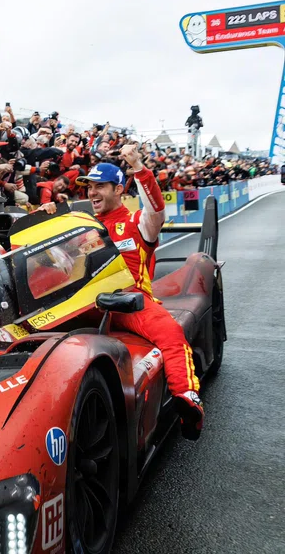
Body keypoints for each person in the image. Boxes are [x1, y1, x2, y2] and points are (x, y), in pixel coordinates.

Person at [72, 147, 204, 439]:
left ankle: (187, 397)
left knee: (171, 333)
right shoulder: (81, 229)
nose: (92, 193)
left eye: (100, 186)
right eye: (89, 187)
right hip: (87, 306)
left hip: (132, 304)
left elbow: (157, 210)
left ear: (118, 189)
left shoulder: (136, 222)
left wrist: (140, 168)